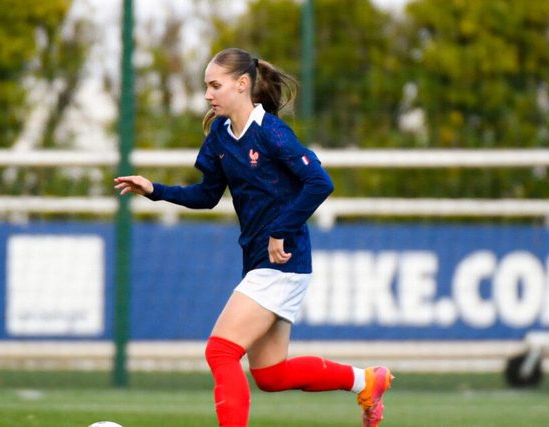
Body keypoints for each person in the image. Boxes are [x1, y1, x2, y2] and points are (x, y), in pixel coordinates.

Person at [114, 47, 393, 427]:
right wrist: (155, 189)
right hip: (262, 261)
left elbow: (319, 182)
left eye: (215, 85)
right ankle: (366, 380)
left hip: (283, 261)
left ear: (242, 85)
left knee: (221, 352)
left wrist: (281, 230)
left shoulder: (272, 133)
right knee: (271, 374)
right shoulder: (220, 135)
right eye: (206, 86)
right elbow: (207, 195)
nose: (208, 95)